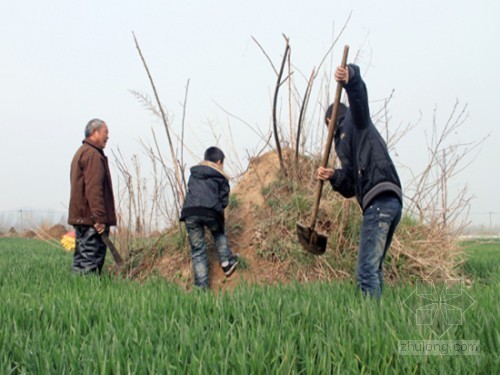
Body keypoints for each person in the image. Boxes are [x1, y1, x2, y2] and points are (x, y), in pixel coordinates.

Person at [317, 64, 403, 298]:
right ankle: (380, 321)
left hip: (379, 199)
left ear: (330, 119)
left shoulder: (355, 120)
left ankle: (371, 326)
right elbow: (350, 187)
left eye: (328, 125)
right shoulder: (345, 143)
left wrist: (350, 78)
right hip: (388, 201)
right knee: (373, 269)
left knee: (366, 271)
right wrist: (333, 176)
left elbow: (359, 97)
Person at [180, 146, 238, 289]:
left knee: (197, 250)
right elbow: (224, 201)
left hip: (190, 212)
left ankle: (201, 287)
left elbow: (191, 191)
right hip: (211, 212)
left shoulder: (194, 173)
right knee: (218, 232)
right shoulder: (221, 176)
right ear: (219, 162)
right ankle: (226, 263)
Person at [68, 118, 116, 275]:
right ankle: (89, 295)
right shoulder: (93, 155)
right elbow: (94, 189)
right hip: (91, 220)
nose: (107, 136)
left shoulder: (81, 152)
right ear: (94, 132)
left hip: (83, 218)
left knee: (81, 261)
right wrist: (99, 218)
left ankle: (76, 294)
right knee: (91, 263)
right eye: (105, 132)